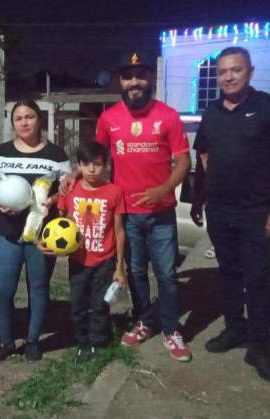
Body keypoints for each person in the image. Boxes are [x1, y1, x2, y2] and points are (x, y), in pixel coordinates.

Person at [192, 46, 270, 384]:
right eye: (222, 72)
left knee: (258, 278)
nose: (228, 77)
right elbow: (204, 151)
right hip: (220, 209)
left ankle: (261, 347)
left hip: (257, 211)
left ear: (249, 71)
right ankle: (235, 329)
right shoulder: (211, 113)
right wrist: (213, 187)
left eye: (235, 70)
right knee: (229, 273)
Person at [93, 52, 192, 362]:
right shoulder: (108, 119)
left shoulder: (169, 116)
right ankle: (144, 321)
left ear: (150, 79)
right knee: (136, 272)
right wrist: (73, 178)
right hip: (127, 215)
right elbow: (96, 160)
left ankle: (172, 330)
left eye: (139, 76)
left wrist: (163, 188)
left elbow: (184, 161)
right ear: (120, 82)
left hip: (161, 214)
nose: (133, 82)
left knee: (166, 275)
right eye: (127, 76)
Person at [0, 99, 71, 364]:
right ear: (13, 123)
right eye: (19, 118)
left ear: (39, 119)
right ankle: (6, 342)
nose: (24, 122)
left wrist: (53, 201)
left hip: (41, 235)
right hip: (6, 232)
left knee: (39, 287)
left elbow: (66, 190)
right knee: (0, 290)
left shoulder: (56, 154)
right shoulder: (2, 151)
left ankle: (33, 341)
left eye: (29, 117)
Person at [57, 141, 127, 363]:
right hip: (78, 260)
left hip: (104, 260)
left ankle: (99, 343)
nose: (92, 169)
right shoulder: (70, 189)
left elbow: (119, 230)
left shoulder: (114, 192)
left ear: (105, 165)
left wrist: (119, 267)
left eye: (97, 164)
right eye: (86, 164)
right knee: (77, 305)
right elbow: (61, 222)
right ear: (79, 165)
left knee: (99, 305)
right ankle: (82, 342)